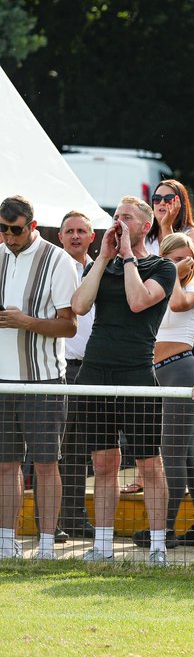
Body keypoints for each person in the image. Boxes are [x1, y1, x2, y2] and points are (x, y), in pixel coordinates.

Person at [70, 196, 175, 566]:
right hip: (95, 372)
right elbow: (79, 306)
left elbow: (137, 301)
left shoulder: (162, 267)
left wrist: (128, 255)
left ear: (145, 226)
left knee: (149, 464)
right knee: (103, 465)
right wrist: (103, 258)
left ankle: (159, 546)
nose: (118, 222)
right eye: (116, 216)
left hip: (136, 374)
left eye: (126, 217)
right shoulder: (104, 266)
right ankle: (102, 544)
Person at [0, 196, 79, 560]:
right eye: (3, 229)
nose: (9, 236)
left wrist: (26, 322)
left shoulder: (58, 260)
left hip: (43, 380)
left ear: (33, 225)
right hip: (2, 382)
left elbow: (69, 325)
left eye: (15, 229)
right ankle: (6, 542)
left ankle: (47, 543)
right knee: (5, 465)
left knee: (47, 464)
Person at [140, 233, 194, 549]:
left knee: (171, 454)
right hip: (160, 373)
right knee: (183, 454)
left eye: (183, 259)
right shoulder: (160, 286)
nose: (176, 265)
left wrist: (174, 271)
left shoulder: (193, 289)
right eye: (170, 258)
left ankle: (166, 529)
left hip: (181, 371)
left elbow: (178, 302)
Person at [57, 211, 96, 538]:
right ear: (60, 236)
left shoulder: (102, 270)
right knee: (52, 449)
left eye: (81, 230)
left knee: (81, 449)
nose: (75, 236)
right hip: (60, 367)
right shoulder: (53, 270)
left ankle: (75, 519)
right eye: (69, 231)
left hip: (94, 368)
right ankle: (53, 522)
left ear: (91, 237)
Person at [145, 179, 194, 257]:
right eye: (157, 199)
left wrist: (166, 226)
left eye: (169, 199)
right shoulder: (146, 235)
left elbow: (173, 263)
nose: (162, 203)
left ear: (181, 204)